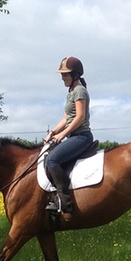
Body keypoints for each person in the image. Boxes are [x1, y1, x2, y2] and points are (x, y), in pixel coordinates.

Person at [43, 56, 93, 213]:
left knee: (52, 160)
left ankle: (64, 201)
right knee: (47, 156)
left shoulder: (80, 91)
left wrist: (62, 134)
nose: (62, 78)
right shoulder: (71, 92)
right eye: (62, 75)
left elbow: (80, 117)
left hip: (81, 136)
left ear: (75, 75)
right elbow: (66, 118)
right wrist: (52, 133)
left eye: (65, 75)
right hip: (72, 136)